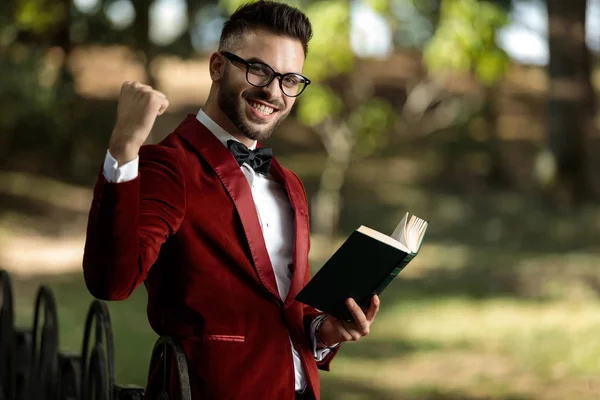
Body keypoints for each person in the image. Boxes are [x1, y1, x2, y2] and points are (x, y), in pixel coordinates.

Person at [82, 1, 380, 399]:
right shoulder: (170, 166)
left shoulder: (289, 184)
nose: (273, 91)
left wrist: (325, 330)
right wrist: (123, 150)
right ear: (218, 66)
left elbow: (288, 306)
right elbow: (111, 281)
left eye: (290, 79)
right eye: (259, 69)